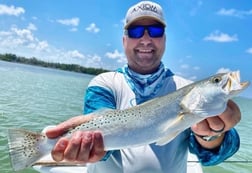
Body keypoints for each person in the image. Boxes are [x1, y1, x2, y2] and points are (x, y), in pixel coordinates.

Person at [45, 1, 241, 172]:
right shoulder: (104, 83)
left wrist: (213, 135)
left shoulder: (185, 87)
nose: (145, 39)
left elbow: (212, 158)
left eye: (155, 31)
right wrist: (87, 147)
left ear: (164, 40)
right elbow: (100, 149)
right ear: (124, 41)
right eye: (135, 31)